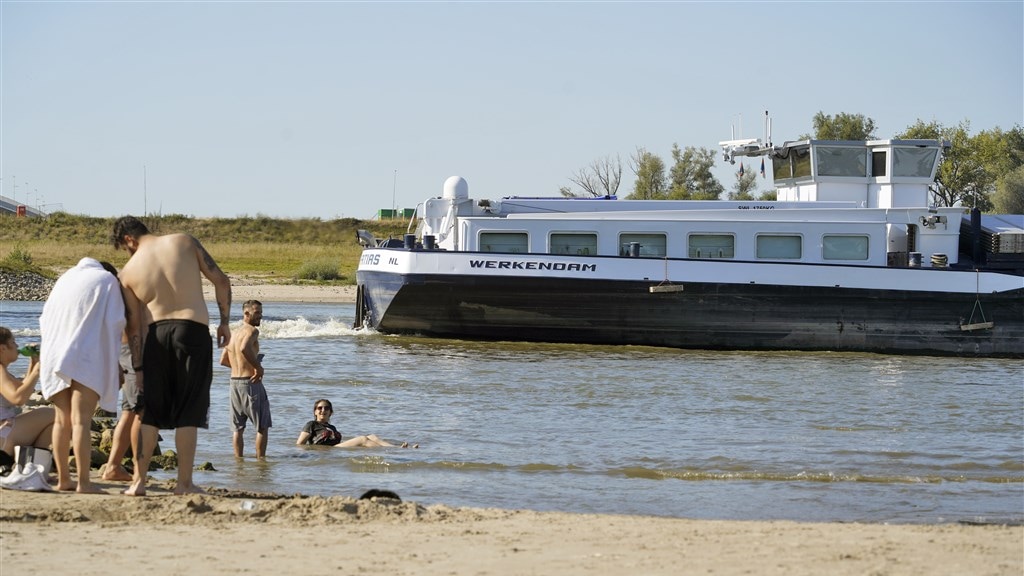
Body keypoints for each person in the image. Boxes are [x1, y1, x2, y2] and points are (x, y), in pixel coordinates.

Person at [112, 215, 232, 496]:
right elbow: (221, 281)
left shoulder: (127, 272)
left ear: (128, 239)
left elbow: (134, 326)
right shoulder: (184, 241)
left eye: (125, 247)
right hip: (193, 331)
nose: (128, 252)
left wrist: (138, 368)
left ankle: (138, 483)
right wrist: (224, 321)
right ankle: (184, 484)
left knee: (150, 413)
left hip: (156, 335)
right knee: (189, 411)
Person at [38, 258, 126, 493]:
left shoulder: (65, 279)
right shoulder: (107, 281)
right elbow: (116, 322)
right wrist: (115, 363)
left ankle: (64, 480)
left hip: (54, 354)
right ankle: (84, 483)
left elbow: (45, 319)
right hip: (85, 357)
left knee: (61, 420)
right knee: (81, 421)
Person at [219, 299, 270, 459]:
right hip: (251, 383)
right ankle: (261, 462)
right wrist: (258, 367)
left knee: (238, 428)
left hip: (234, 383)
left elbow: (223, 360)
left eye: (261, 312)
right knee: (262, 426)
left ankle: (238, 462)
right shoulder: (252, 331)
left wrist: (239, 367)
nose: (260, 316)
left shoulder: (233, 333)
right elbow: (244, 348)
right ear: (246, 313)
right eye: (257, 313)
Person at [0, 327, 55, 463]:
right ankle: (34, 463)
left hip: (4, 433)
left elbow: (21, 388)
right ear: (3, 348)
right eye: (13, 343)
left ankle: (32, 461)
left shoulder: (3, 371)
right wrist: (37, 371)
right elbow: (18, 398)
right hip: (3, 436)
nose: (17, 346)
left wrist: (34, 362)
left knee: (54, 416)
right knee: (56, 415)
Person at [101, 332, 143, 482]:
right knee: (140, 411)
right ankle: (138, 471)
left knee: (130, 411)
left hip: (127, 347)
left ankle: (114, 467)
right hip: (134, 348)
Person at [295, 399, 416, 448]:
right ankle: (393, 452)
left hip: (336, 450)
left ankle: (396, 448)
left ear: (331, 412)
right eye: (320, 408)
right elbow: (300, 444)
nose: (323, 410)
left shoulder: (331, 427)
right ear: (315, 411)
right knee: (363, 439)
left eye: (326, 408)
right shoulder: (311, 424)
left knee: (372, 436)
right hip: (327, 449)